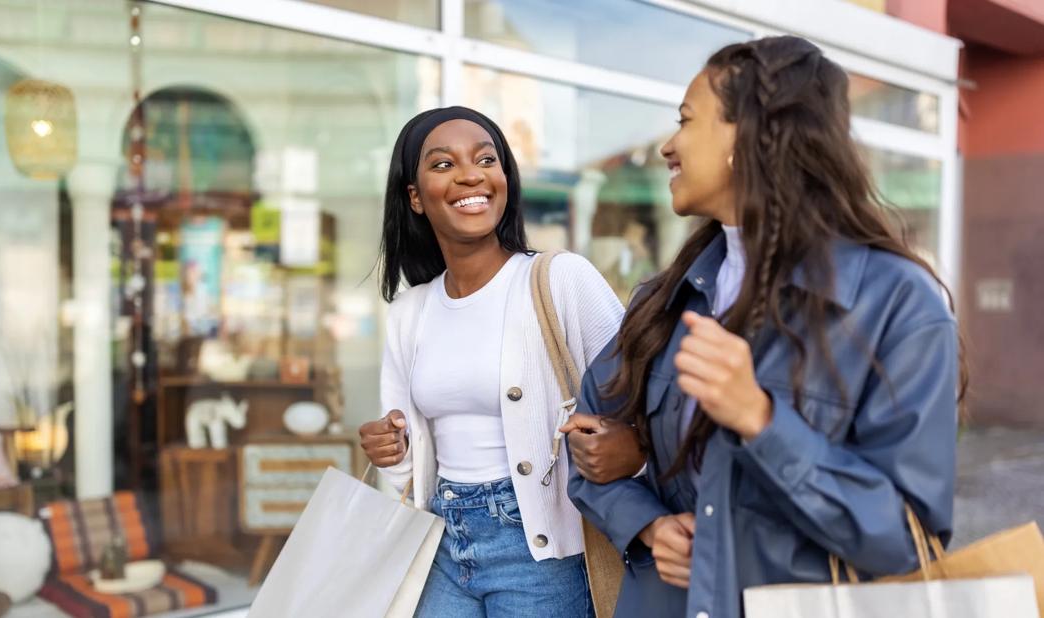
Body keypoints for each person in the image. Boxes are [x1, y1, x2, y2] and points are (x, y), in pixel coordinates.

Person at [562, 36, 966, 618]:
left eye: (686, 121)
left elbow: (906, 540)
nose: (666, 147)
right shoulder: (664, 298)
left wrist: (760, 419)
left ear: (747, 133)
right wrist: (646, 523)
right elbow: (588, 443)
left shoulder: (898, 302)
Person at [358, 106, 625, 617]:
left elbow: (639, 396)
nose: (470, 174)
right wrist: (390, 449)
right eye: (442, 165)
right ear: (414, 197)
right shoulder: (410, 310)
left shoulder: (560, 279)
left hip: (540, 548)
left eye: (487, 159)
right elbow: (406, 469)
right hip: (441, 539)